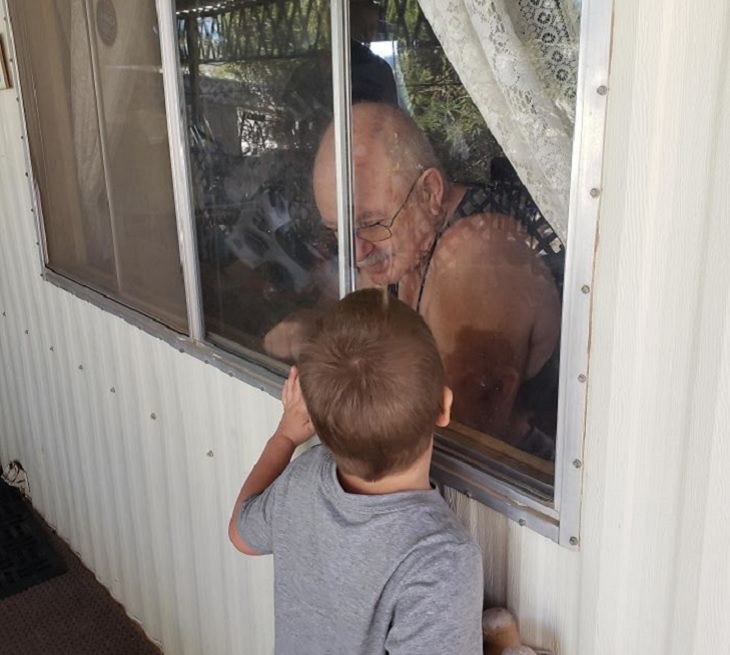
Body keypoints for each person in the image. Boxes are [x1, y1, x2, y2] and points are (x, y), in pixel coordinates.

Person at [265, 102, 562, 458]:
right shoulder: (404, 242)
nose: (356, 252)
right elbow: (356, 339)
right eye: (337, 231)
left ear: (430, 192)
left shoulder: (476, 258)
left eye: (371, 222)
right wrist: (310, 330)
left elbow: (457, 433)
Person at [230, 288, 484, 655]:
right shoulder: (442, 558)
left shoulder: (304, 479)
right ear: (444, 407)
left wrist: (285, 435)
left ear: (315, 421)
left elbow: (240, 533)